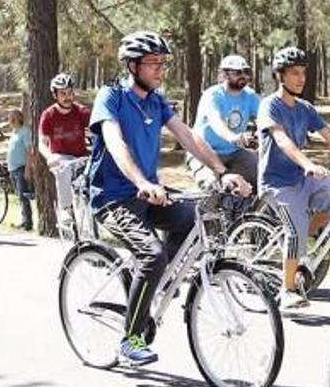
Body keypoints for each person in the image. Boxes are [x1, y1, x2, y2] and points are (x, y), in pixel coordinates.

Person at [89, 30, 252, 366]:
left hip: (149, 194)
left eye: (163, 63)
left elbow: (189, 137)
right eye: (153, 63)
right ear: (132, 66)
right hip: (113, 197)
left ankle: (159, 284)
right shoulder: (111, 96)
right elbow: (115, 142)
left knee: (193, 218)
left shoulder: (157, 101)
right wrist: (141, 181)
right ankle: (131, 339)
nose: (160, 70)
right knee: (152, 255)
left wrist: (222, 172)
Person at [256, 46, 330, 311]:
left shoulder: (305, 108)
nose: (301, 78)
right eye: (294, 73)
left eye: (303, 73)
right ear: (280, 76)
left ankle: (299, 243)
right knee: (295, 230)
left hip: (301, 179)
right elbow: (281, 140)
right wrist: (308, 164)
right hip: (277, 183)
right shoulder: (269, 106)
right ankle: (287, 290)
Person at [189, 54, 260, 190]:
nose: (243, 76)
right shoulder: (213, 95)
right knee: (211, 186)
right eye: (237, 73)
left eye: (246, 72)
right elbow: (216, 121)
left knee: (262, 177)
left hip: (235, 152)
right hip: (205, 152)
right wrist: (232, 137)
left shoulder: (250, 96)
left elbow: (266, 118)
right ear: (225, 74)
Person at [38, 72, 92, 229]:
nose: (67, 97)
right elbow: (42, 143)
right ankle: (65, 209)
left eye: (69, 92)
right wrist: (49, 157)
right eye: (63, 94)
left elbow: (96, 132)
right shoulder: (48, 115)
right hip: (61, 157)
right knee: (62, 168)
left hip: (81, 156)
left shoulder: (82, 112)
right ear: (55, 95)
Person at [5, 110, 34, 230]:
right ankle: (23, 219)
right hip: (12, 168)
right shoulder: (14, 133)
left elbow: (29, 151)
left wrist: (28, 168)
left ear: (18, 119)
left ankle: (28, 223)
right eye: (10, 118)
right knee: (19, 195)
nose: (10, 120)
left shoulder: (25, 132)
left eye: (12, 118)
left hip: (21, 168)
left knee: (23, 196)